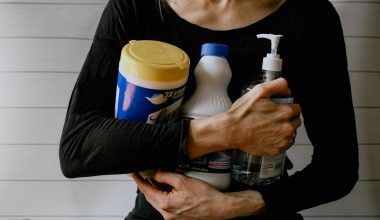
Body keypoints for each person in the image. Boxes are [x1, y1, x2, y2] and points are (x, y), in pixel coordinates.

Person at [59, 0, 359, 219]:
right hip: (164, 211)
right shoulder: (139, 7)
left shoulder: (310, 15)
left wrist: (235, 205)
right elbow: (79, 148)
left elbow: (338, 170)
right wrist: (227, 132)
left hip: (262, 209)